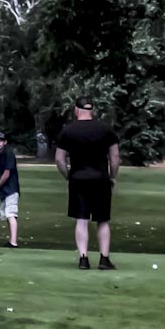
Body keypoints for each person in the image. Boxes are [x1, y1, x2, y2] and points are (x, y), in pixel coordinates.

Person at [55, 96, 120, 270]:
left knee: (82, 219)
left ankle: (83, 258)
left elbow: (59, 159)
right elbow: (114, 157)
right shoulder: (106, 129)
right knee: (102, 220)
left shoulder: (68, 130)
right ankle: (104, 258)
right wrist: (112, 177)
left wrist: (68, 175)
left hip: (78, 179)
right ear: (92, 110)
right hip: (100, 179)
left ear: (76, 110)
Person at [0, 131, 20, 248]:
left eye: (1, 141)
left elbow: (7, 173)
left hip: (11, 189)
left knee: (10, 214)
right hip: (4, 190)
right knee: (6, 215)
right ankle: (11, 240)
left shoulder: (8, 154)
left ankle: (13, 242)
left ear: (5, 142)